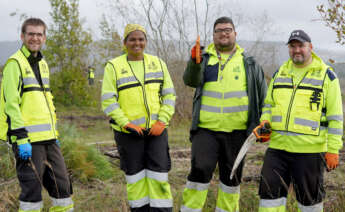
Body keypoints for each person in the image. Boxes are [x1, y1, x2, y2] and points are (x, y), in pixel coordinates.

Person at [181, 16, 267, 212]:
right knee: (199, 171)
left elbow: (264, 97)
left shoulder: (250, 63)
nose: (224, 33)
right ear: (213, 35)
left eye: (228, 29)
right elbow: (190, 81)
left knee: (231, 178)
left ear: (235, 34)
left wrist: (263, 122)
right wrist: (194, 62)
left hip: (238, 133)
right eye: (219, 30)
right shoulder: (204, 58)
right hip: (206, 131)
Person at [257, 30, 343, 212]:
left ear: (310, 48)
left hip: (309, 153)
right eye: (292, 46)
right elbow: (268, 105)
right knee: (268, 200)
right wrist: (265, 123)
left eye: (301, 46)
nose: (297, 50)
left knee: (309, 204)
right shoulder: (280, 73)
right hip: (277, 150)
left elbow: (336, 118)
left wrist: (333, 149)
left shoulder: (327, 77)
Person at [0, 18, 73, 212]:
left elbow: (47, 101)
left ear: (45, 38)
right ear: (22, 36)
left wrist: (54, 133)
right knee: (32, 192)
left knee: (62, 187)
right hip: (28, 141)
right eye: (31, 34)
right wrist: (21, 137)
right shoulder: (14, 64)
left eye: (39, 34)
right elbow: (11, 104)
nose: (35, 38)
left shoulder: (43, 64)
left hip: (49, 138)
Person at [101, 24, 176, 212]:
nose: (137, 43)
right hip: (128, 134)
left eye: (141, 39)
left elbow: (169, 95)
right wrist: (125, 123)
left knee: (159, 178)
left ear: (146, 42)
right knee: (135, 179)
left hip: (156, 132)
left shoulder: (158, 63)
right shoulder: (114, 66)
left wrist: (162, 121)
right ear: (125, 42)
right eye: (132, 39)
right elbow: (109, 101)